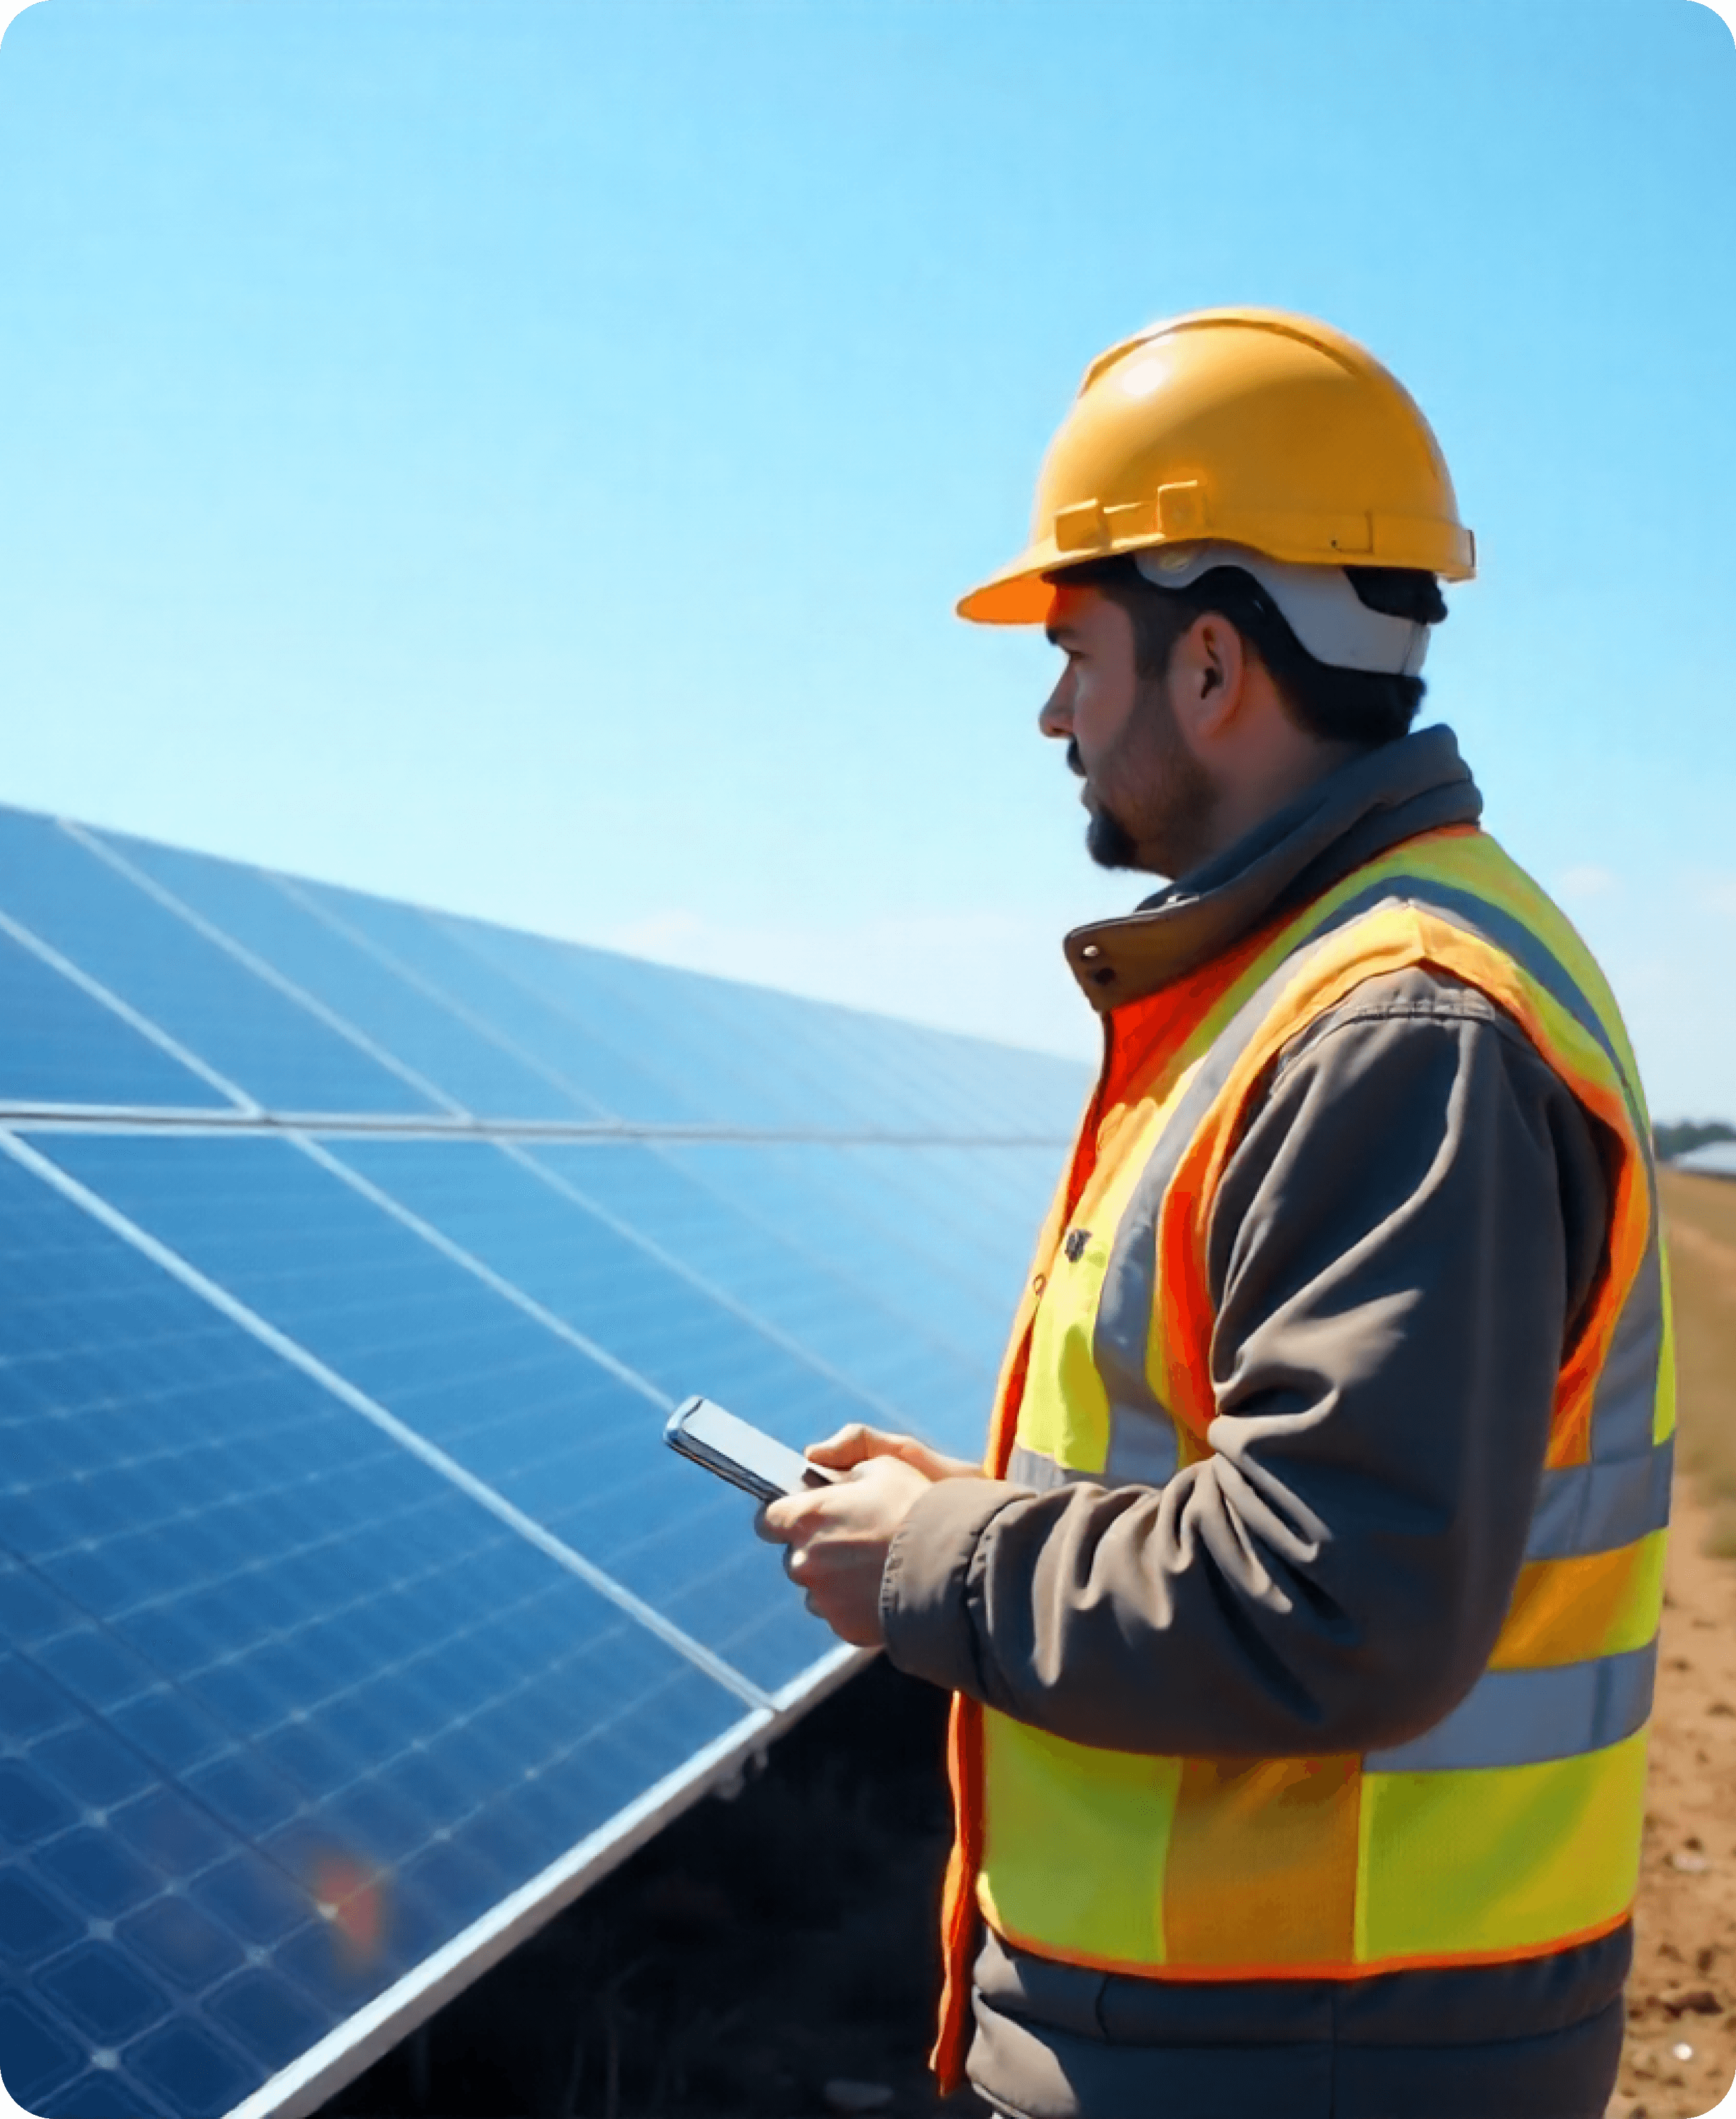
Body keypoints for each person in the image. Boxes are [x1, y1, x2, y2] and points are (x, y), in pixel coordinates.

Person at [757, 308, 1669, 2119]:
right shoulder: (1316, 988)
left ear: (1214, 664)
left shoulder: (1395, 1028)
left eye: (1078, 649)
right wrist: (978, 1513)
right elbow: (1265, 1499)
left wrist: (933, 1565)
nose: (1049, 709)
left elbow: (1337, 1595)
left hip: (1301, 2057)